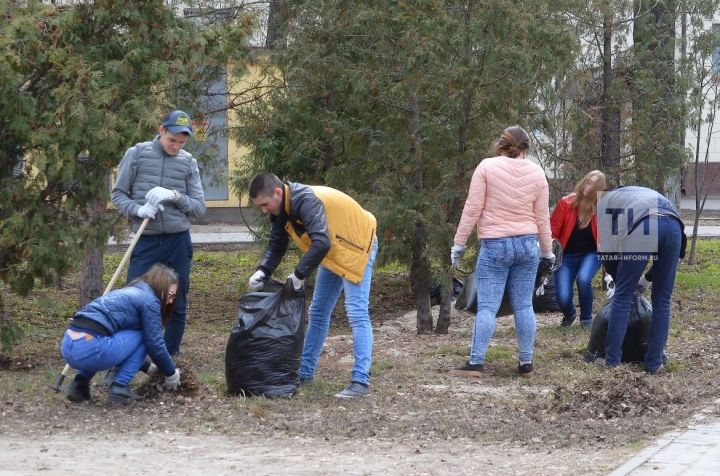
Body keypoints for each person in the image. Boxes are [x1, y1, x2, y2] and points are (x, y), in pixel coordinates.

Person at [248, 173, 378, 398]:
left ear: (277, 193)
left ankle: (360, 381)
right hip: (333, 247)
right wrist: (263, 270)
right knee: (317, 312)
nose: (264, 210)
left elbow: (321, 242)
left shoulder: (305, 200)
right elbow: (277, 244)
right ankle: (305, 373)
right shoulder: (282, 208)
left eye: (265, 204)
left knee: (356, 312)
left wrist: (299, 275)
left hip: (357, 244)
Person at [450, 125, 553, 379]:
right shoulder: (538, 172)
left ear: (501, 145)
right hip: (528, 245)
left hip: (495, 244)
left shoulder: (486, 167)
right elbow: (542, 217)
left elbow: (472, 208)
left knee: (487, 307)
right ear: (526, 148)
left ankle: (476, 363)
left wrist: (459, 244)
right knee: (523, 305)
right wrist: (548, 252)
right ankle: (526, 364)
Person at [111, 110, 206, 356]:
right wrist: (138, 209)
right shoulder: (137, 154)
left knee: (175, 302)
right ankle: (129, 357)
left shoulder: (188, 162)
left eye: (181, 143)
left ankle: (167, 358)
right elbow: (118, 195)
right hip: (147, 241)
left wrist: (175, 196)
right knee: (134, 300)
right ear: (161, 130)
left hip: (178, 242)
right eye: (172, 140)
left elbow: (199, 207)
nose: (176, 146)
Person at [61, 264, 183, 405]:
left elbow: (123, 344)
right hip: (92, 349)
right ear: (161, 287)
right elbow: (155, 344)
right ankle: (120, 387)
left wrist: (147, 367)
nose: (170, 301)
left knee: (102, 337)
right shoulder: (150, 301)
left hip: (68, 346)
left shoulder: (127, 293)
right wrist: (171, 373)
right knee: (145, 336)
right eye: (170, 295)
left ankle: (79, 385)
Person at [596, 186, 685, 374]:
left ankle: (612, 361)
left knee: (622, 297)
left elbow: (608, 251)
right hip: (674, 226)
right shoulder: (642, 193)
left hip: (645, 224)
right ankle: (654, 363)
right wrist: (646, 279)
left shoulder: (606, 203)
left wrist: (618, 281)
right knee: (662, 300)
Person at [550, 170, 606, 329]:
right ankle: (569, 314)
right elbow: (552, 232)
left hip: (591, 254)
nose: (588, 186)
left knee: (583, 279)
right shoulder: (566, 203)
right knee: (562, 297)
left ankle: (586, 319)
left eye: (594, 185)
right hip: (566, 256)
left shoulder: (601, 206)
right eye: (588, 181)